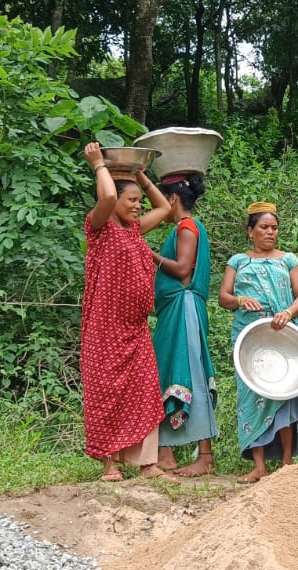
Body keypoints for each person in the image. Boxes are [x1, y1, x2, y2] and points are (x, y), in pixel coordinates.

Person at [79, 142, 178, 483]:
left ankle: (147, 464)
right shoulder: (99, 228)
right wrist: (98, 164)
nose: (138, 206)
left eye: (138, 201)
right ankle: (110, 465)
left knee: (146, 391)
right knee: (107, 393)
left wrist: (139, 176)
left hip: (135, 329)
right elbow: (106, 198)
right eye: (131, 200)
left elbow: (165, 207)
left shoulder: (135, 229)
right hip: (105, 329)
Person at [218, 202, 298, 483]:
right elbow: (223, 297)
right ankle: (258, 465)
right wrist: (238, 300)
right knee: (252, 396)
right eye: (263, 227)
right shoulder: (238, 261)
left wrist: (288, 313)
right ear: (250, 231)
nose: (270, 232)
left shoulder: (288, 260)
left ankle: (286, 463)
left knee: (284, 394)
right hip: (249, 336)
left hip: (284, 334)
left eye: (274, 227)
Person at [151, 173, 219, 478]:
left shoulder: (188, 227)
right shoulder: (180, 228)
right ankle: (165, 452)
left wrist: (148, 254)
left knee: (191, 374)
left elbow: (181, 269)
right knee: (166, 375)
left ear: (173, 199)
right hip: (174, 310)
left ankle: (205, 456)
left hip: (185, 308)